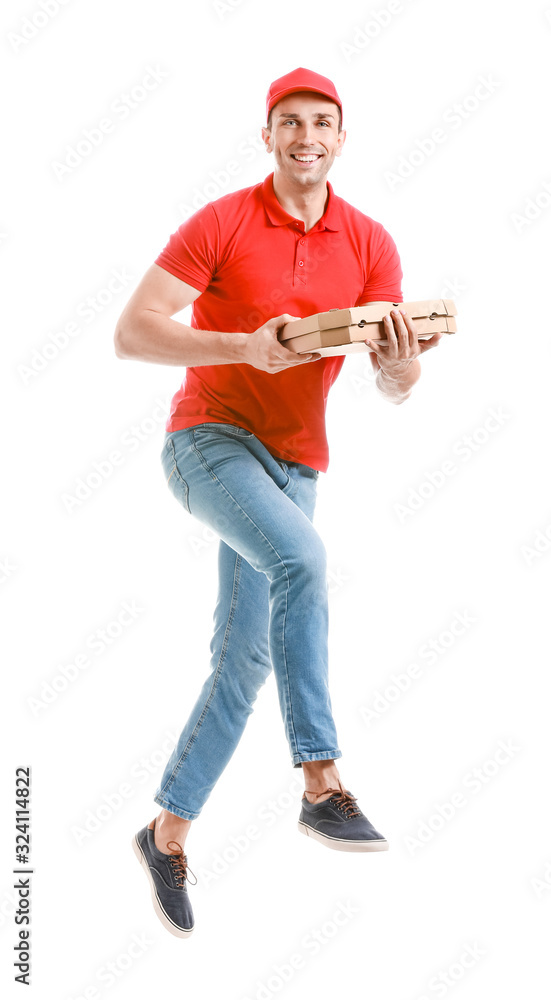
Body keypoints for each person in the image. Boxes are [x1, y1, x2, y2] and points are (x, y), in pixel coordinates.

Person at [114, 67, 442, 938]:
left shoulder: (368, 242)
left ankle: (165, 832)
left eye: (322, 123)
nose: (306, 136)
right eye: (288, 122)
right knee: (302, 560)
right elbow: (132, 329)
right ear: (266, 136)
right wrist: (239, 349)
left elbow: (399, 384)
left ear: (341, 138)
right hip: (208, 442)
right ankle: (322, 784)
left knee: (242, 665)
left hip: (297, 466)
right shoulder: (222, 220)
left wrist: (399, 360)